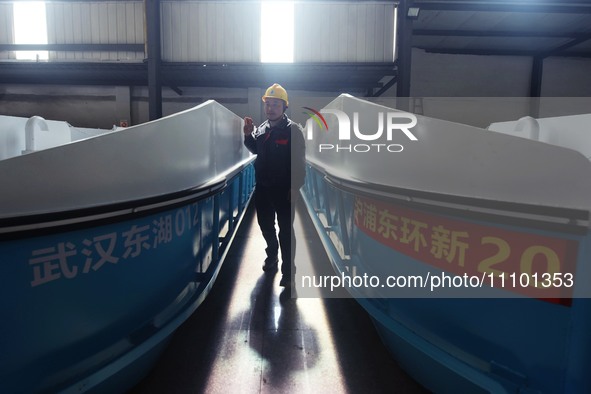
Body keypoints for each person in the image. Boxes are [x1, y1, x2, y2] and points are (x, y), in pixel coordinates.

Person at [243, 83, 306, 288]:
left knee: (286, 231)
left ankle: (289, 273)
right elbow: (256, 149)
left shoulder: (293, 131)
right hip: (263, 189)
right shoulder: (261, 129)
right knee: (266, 226)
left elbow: (299, 161)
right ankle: (272, 257)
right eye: (268, 104)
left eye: (275, 104)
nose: (270, 108)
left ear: (284, 106)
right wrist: (247, 135)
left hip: (284, 190)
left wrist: (295, 187)